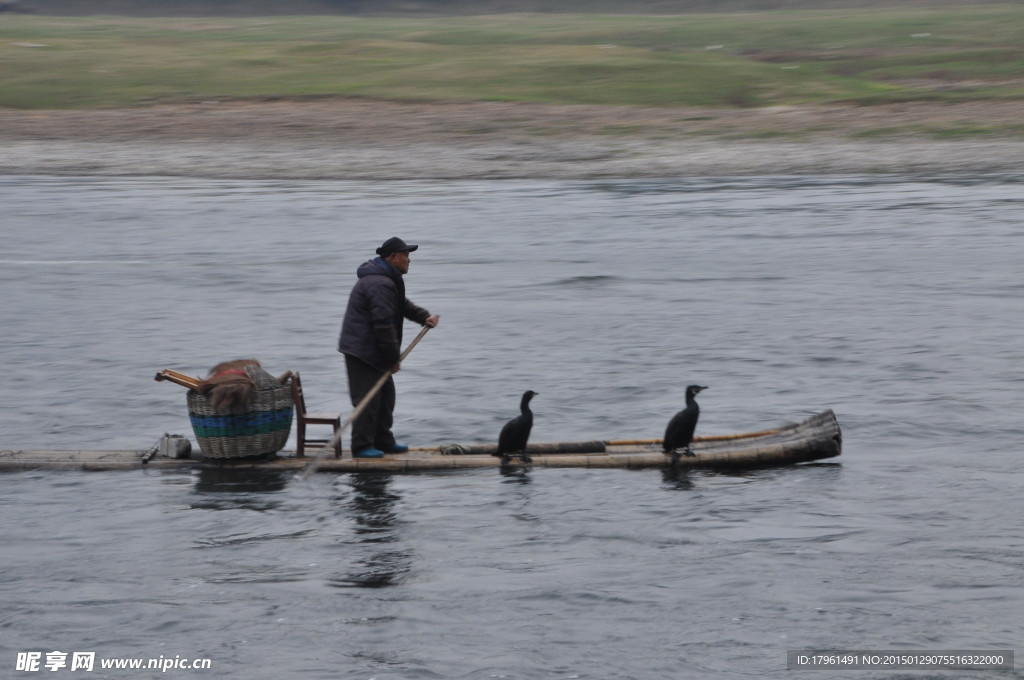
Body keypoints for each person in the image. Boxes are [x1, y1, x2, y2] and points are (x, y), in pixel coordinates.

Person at [338, 237, 439, 458]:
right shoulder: (379, 283)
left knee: (386, 396)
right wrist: (393, 358)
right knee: (368, 399)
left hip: (373, 349)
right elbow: (383, 326)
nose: (409, 261)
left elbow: (401, 305)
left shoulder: (387, 279)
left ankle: (383, 441)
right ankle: (362, 446)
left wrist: (424, 317)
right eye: (406, 256)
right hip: (362, 350)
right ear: (393, 258)